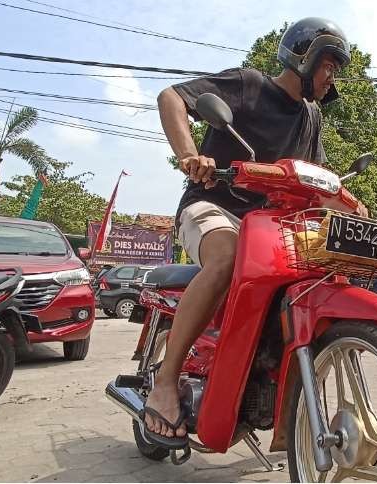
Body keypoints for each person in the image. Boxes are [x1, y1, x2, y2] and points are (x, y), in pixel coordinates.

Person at [143, 17, 355, 443]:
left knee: (312, 283)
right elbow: (171, 97)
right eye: (328, 64)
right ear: (302, 55)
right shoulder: (250, 85)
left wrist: (350, 204)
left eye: (335, 67)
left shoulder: (311, 117)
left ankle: (272, 393)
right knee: (227, 258)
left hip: (271, 226)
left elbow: (316, 177)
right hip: (213, 207)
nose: (331, 76)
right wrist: (190, 155)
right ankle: (165, 384)